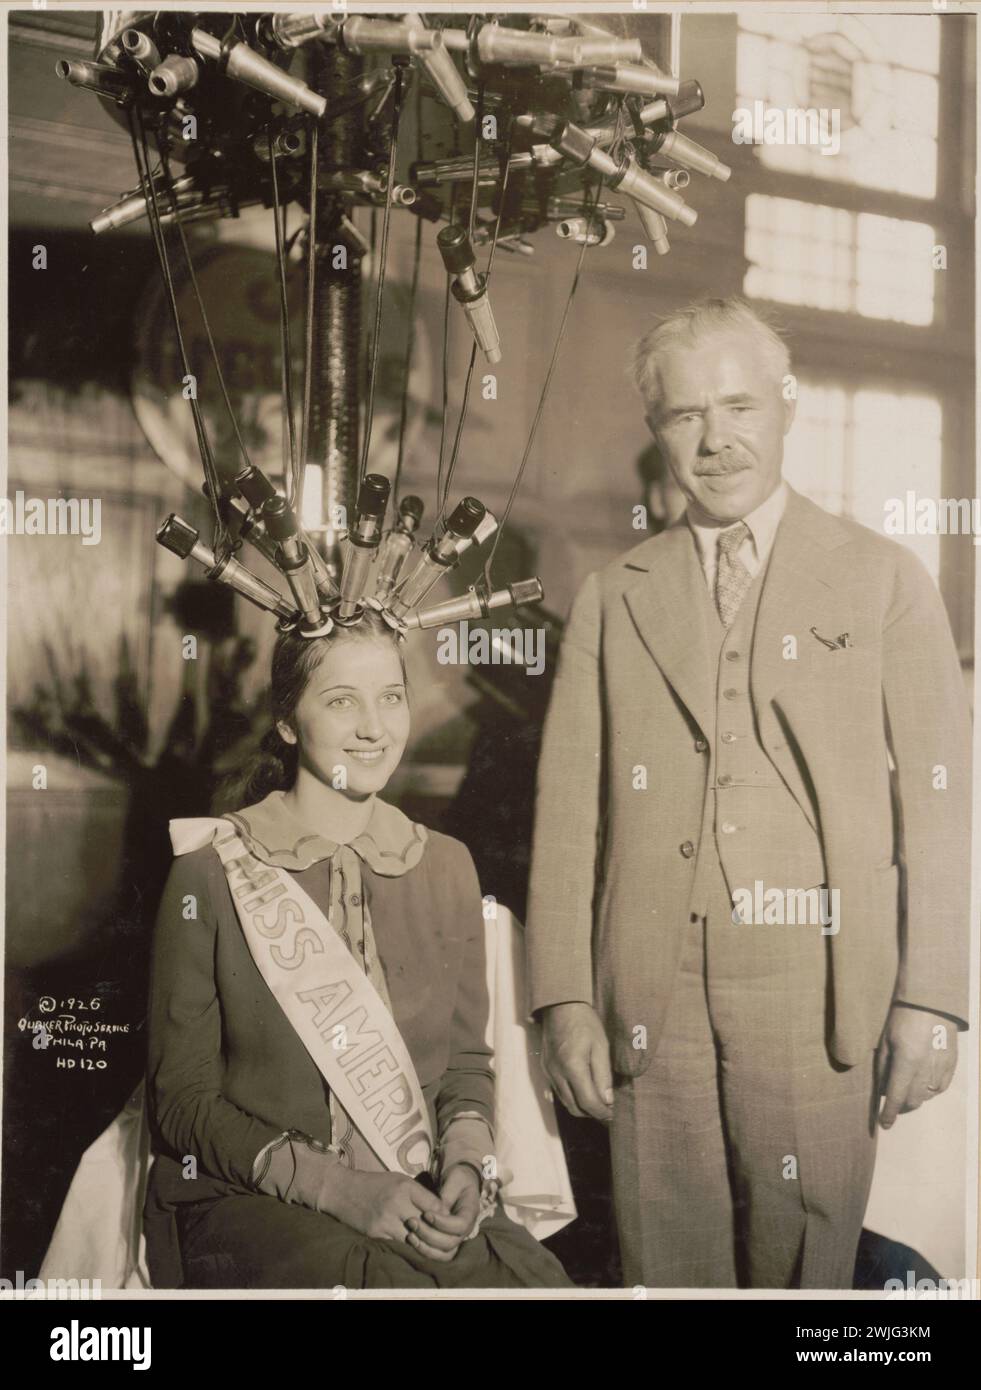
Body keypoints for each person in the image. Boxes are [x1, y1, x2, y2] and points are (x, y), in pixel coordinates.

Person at [525, 297, 971, 1289]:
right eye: (686, 415)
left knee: (807, 1263)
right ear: (658, 433)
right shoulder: (614, 594)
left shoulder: (885, 577)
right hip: (650, 994)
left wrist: (932, 998)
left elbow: (940, 803)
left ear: (785, 408)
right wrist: (562, 998)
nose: (717, 438)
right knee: (663, 1257)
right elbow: (567, 819)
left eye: (739, 406)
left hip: (816, 992)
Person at [144, 610, 570, 1289]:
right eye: (341, 700)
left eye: (391, 697)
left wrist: (464, 1162)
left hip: (413, 1194)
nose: (374, 728)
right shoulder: (212, 872)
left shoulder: (446, 866)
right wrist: (340, 1190)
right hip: (256, 1205)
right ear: (287, 721)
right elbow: (182, 1102)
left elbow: (465, 1065)